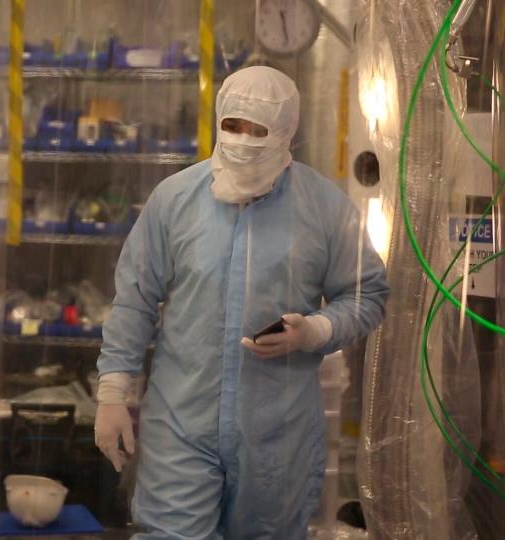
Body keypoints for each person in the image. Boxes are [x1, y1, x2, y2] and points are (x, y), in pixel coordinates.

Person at [93, 66, 390, 539]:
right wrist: (112, 393)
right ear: (218, 120)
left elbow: (368, 294)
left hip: (278, 436)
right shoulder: (174, 200)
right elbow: (134, 299)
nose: (244, 140)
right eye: (234, 125)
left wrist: (315, 331)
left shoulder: (324, 209)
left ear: (287, 131)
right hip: (181, 423)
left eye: (260, 130)